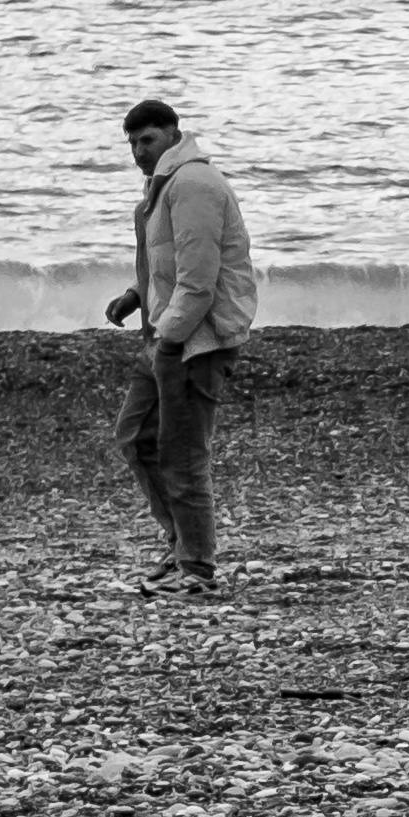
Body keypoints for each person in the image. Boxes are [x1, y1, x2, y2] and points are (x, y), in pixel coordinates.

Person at [104, 98, 256, 595]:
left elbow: (199, 281)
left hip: (197, 340)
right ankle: (181, 545)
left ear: (173, 134)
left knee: (183, 454)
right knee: (136, 437)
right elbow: (169, 261)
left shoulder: (193, 184)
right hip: (167, 333)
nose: (138, 151)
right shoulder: (164, 185)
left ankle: (196, 569)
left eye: (147, 140)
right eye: (131, 143)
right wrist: (137, 294)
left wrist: (169, 339)